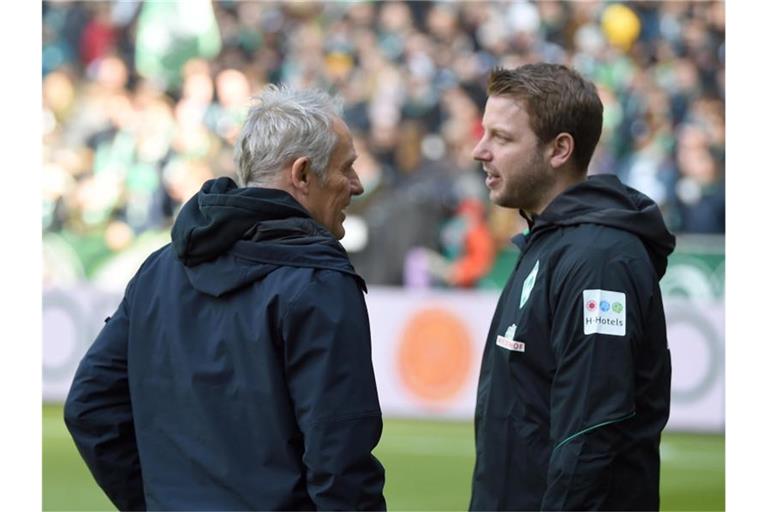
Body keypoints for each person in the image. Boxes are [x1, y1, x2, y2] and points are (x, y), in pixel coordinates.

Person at [64, 85, 387, 511]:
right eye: (346, 168)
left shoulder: (161, 268)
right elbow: (341, 463)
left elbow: (90, 406)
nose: (357, 185)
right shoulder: (318, 281)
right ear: (303, 174)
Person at [469, 64, 675, 511]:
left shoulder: (599, 262)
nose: (478, 150)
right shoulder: (549, 243)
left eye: (501, 138)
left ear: (560, 149)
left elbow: (590, 433)